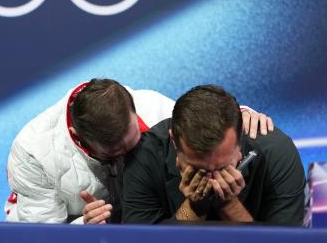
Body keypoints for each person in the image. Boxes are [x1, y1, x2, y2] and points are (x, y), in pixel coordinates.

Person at [6, 79, 273, 224]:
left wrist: (240, 118)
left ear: (134, 110)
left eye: (134, 145)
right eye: (113, 154)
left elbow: (204, 123)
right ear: (79, 137)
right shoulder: (33, 151)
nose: (128, 158)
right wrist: (83, 229)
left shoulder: (154, 107)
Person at [121, 85, 305, 225]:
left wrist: (229, 204)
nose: (211, 179)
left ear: (239, 142)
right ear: (174, 141)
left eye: (221, 167)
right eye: (198, 169)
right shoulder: (146, 154)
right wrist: (194, 206)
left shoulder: (276, 153)